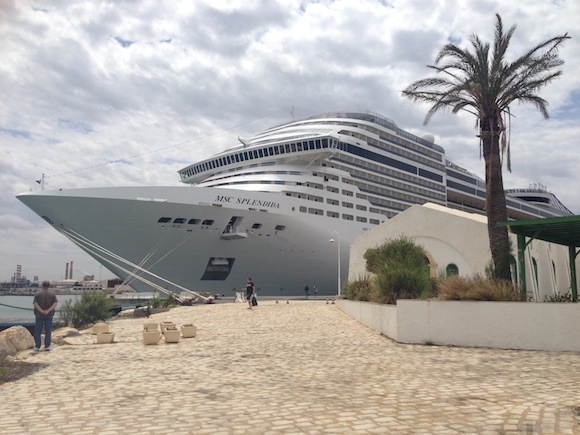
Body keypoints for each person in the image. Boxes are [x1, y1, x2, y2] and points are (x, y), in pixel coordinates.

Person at [33, 281, 58, 351]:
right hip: (49, 315)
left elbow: (35, 304)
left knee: (38, 330)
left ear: (42, 285)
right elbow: (55, 304)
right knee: (48, 330)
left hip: (39, 314)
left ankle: (37, 346)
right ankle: (47, 346)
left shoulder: (37, 294)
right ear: (49, 285)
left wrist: (41, 311)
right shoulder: (52, 294)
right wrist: (48, 311)